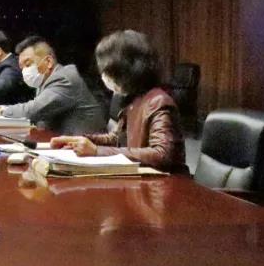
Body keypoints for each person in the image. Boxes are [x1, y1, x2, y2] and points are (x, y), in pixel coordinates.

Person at [51, 30, 186, 172]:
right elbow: (117, 139)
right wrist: (81, 140)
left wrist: (97, 151)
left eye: (108, 71)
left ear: (128, 70)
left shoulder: (158, 101)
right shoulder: (132, 99)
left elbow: (162, 154)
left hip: (168, 181)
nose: (103, 76)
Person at [0, 36, 104, 135]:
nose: (25, 71)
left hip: (87, 149)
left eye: (28, 64)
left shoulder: (64, 78)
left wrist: (0, 112)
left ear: (48, 61)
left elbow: (33, 110)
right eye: (22, 68)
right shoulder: (45, 81)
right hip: (63, 143)